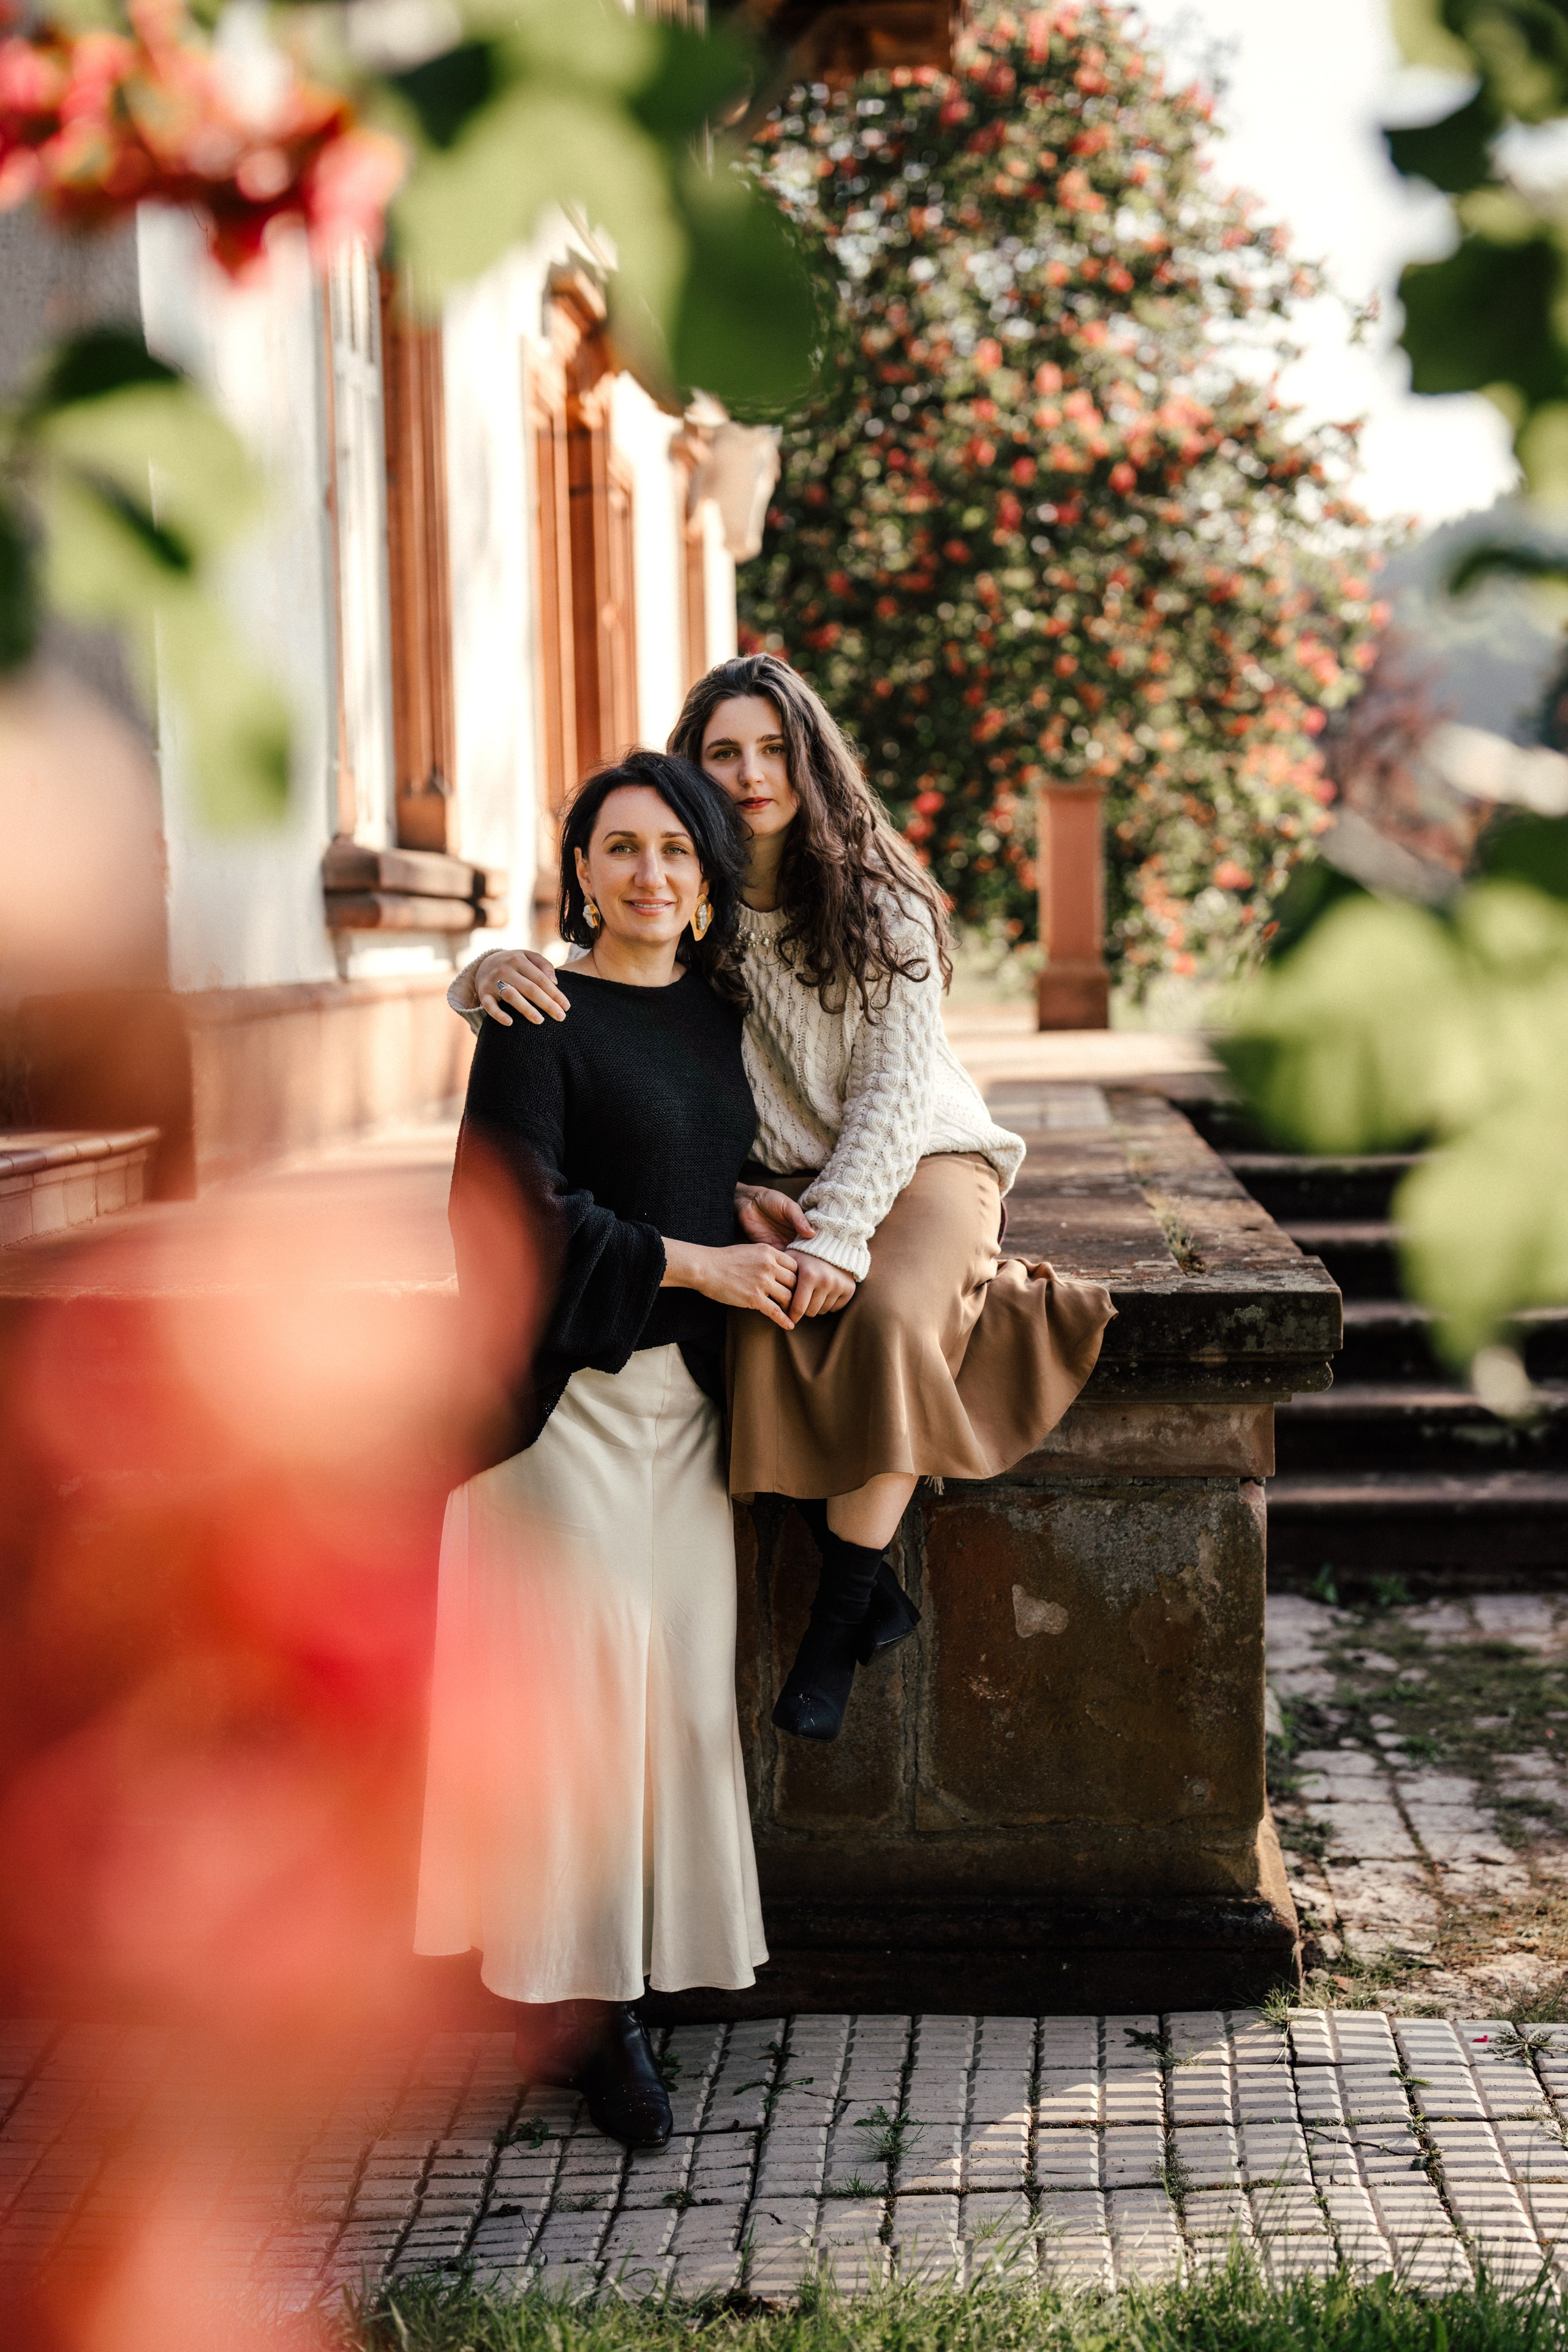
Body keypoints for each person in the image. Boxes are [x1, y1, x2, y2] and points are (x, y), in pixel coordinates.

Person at [450, 654, 1115, 1746]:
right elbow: (606, 994)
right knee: (749, 1329)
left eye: (771, 748)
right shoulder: (698, 897)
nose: (751, 772)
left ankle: (845, 1606)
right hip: (773, 1176)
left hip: (926, 1157)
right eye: (723, 752)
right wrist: (480, 976)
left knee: (893, 1316)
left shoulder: (881, 900)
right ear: (694, 767)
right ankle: (875, 1594)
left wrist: (845, 1238)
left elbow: (897, 1099)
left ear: (808, 758)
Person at [416, 749, 798, 2150]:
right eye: (619, 848)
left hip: (688, 1413)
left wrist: (745, 1206)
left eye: (675, 852)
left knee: (678, 1712)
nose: (648, 874)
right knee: (574, 1716)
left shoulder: (713, 1017)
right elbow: (509, 1218)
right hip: (560, 1413)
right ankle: (591, 2019)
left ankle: (632, 1973)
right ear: (579, 867)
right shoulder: (531, 1010)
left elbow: (683, 1160)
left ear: (704, 881)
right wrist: (697, 1263)